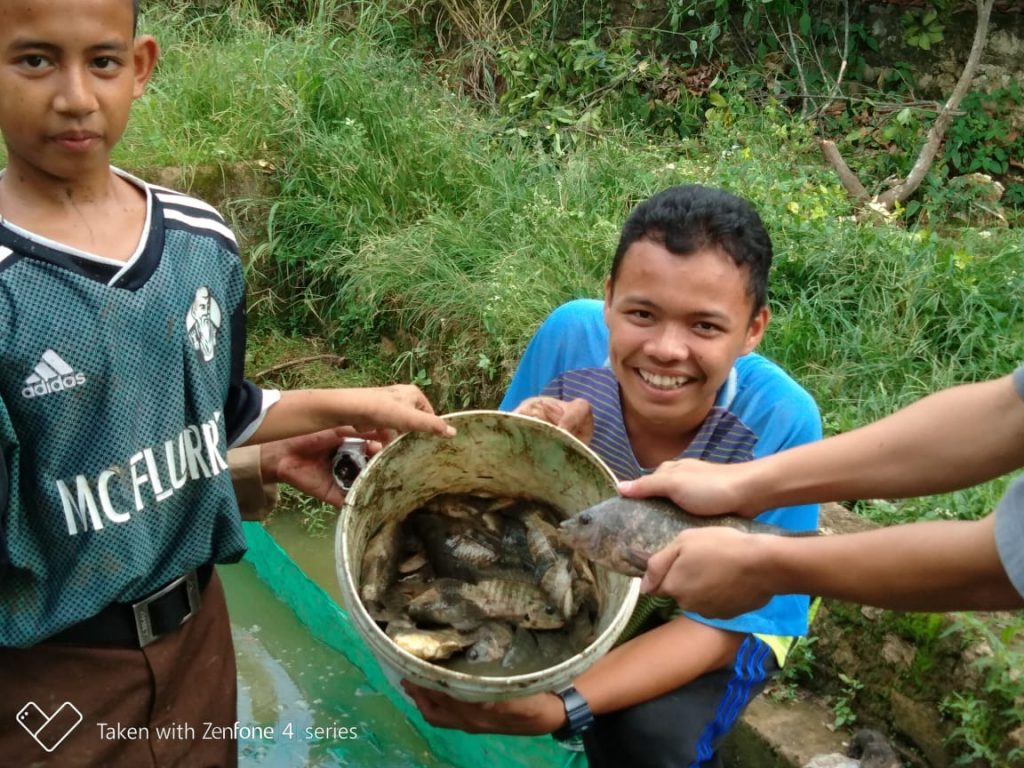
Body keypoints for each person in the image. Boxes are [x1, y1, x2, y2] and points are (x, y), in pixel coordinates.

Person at [0, 2, 453, 765]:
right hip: (50, 673)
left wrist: (354, 403)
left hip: (197, 639)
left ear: (140, 66)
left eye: (102, 62)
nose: (75, 96)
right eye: (36, 61)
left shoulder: (199, 241)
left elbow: (226, 406)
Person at [404, 184, 821, 767]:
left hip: (718, 618)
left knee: (647, 739)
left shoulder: (778, 419)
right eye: (642, 314)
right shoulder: (569, 341)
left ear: (753, 329)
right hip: (598, 564)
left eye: (705, 327)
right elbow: (496, 495)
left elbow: (719, 626)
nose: (666, 350)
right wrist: (537, 448)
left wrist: (563, 706)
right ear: (609, 300)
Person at [621, 369, 1024, 616]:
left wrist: (765, 563)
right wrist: (746, 482)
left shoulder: (786, 410)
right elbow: (1008, 413)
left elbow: (1001, 563)